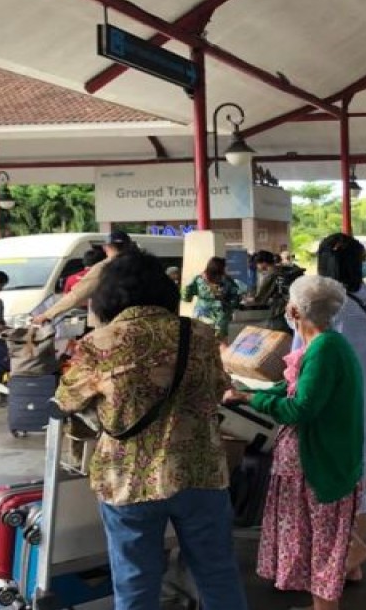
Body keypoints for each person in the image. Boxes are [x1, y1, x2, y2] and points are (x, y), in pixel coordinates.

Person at [55, 252, 248, 610]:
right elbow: (219, 387)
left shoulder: (99, 343)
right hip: (199, 472)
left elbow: (67, 399)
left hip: (128, 479)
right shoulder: (200, 335)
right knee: (217, 574)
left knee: (135, 583)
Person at [223, 275, 364, 610]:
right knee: (316, 540)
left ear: (295, 310)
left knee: (323, 544)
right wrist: (247, 394)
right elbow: (293, 390)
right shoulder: (321, 345)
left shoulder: (325, 350)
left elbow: (299, 408)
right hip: (314, 463)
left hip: (317, 464)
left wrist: (253, 401)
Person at [314, 233, 366, 581]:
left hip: (330, 411)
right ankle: (351, 563)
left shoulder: (322, 306)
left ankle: (344, 559)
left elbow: (306, 359)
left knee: (328, 488)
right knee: (357, 482)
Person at [34, 230, 135, 325]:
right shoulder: (143, 265)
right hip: (138, 321)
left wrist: (47, 315)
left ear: (105, 247)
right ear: (129, 246)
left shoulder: (103, 268)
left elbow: (76, 296)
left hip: (110, 323)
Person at [184, 257, 245, 341]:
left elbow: (186, 295)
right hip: (220, 316)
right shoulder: (227, 280)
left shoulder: (199, 279)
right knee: (219, 341)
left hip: (203, 314)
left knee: (202, 340)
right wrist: (231, 305)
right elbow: (236, 296)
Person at [248, 249, 303, 333]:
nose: (257, 267)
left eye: (257, 264)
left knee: (276, 334)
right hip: (296, 307)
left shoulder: (272, 274)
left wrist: (249, 300)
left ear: (263, 263)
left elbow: (261, 297)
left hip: (280, 310)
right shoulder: (287, 269)